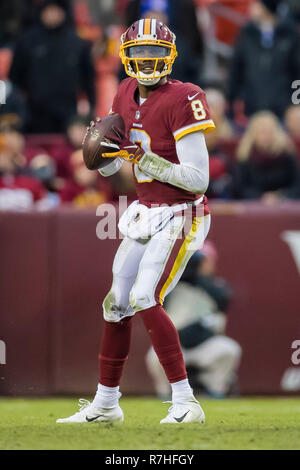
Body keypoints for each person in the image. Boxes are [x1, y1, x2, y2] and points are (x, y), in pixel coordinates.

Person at [57, 18, 215, 425]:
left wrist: (138, 156)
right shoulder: (124, 92)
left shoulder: (186, 96)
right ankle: (106, 404)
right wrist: (102, 157)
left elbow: (198, 179)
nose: (148, 61)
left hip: (184, 212)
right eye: (140, 53)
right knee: (116, 304)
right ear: (126, 57)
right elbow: (114, 168)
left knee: (146, 295)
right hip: (146, 211)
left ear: (171, 56)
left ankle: (186, 401)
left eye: (157, 53)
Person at [146, 242, 241, 399]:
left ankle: (215, 390)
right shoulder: (171, 286)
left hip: (204, 345)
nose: (199, 265)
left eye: (203, 261)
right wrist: (180, 275)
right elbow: (156, 299)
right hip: (176, 345)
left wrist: (200, 279)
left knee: (229, 350)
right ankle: (165, 393)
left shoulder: (216, 286)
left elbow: (222, 300)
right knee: (155, 355)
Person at [9, 0, 95, 133]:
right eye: (49, 11)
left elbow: (88, 79)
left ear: (64, 13)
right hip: (34, 112)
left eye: (56, 10)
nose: (52, 15)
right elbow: (14, 77)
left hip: (68, 113)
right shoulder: (27, 41)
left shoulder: (77, 43)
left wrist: (90, 109)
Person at [227, 0, 300, 119]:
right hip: (251, 108)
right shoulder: (246, 34)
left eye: (256, 4)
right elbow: (235, 71)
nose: (251, 7)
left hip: (283, 110)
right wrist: (232, 100)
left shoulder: (289, 34)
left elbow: (297, 73)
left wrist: (297, 103)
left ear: (266, 7)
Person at [232, 111, 300, 201]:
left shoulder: (286, 153)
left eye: (269, 131)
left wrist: (280, 196)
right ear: (253, 133)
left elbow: (296, 185)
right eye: (262, 132)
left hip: (285, 204)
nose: (266, 136)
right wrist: (261, 197)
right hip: (252, 207)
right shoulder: (245, 156)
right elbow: (239, 188)